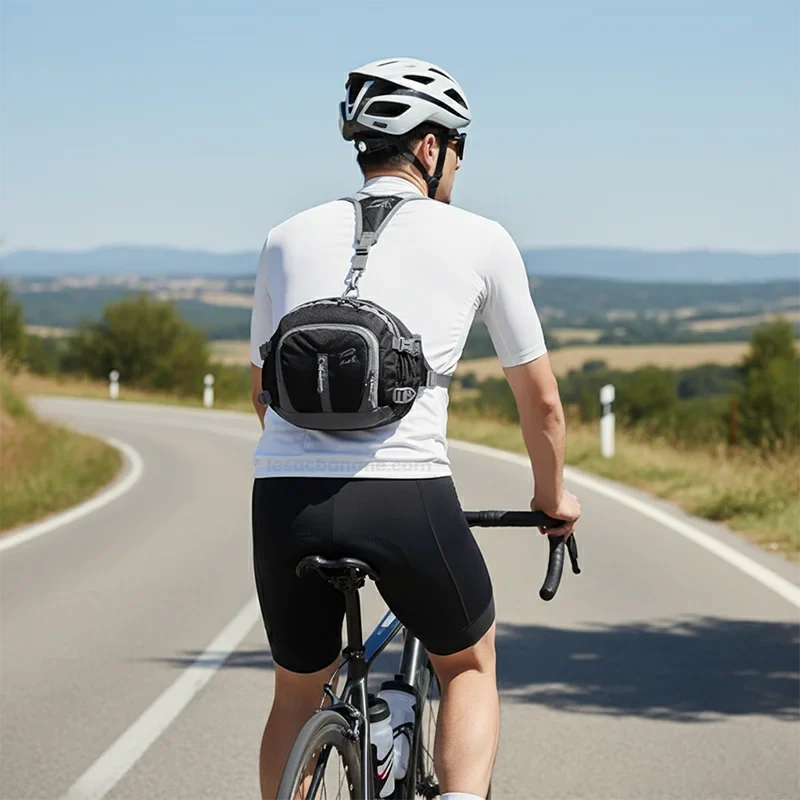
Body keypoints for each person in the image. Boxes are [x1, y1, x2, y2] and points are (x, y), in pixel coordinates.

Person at [249, 57, 581, 800]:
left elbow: (261, 395)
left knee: (296, 692)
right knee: (468, 664)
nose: (458, 164)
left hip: (283, 503)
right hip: (403, 498)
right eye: (458, 147)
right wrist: (553, 500)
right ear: (430, 148)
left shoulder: (283, 237)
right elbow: (544, 406)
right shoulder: (482, 240)